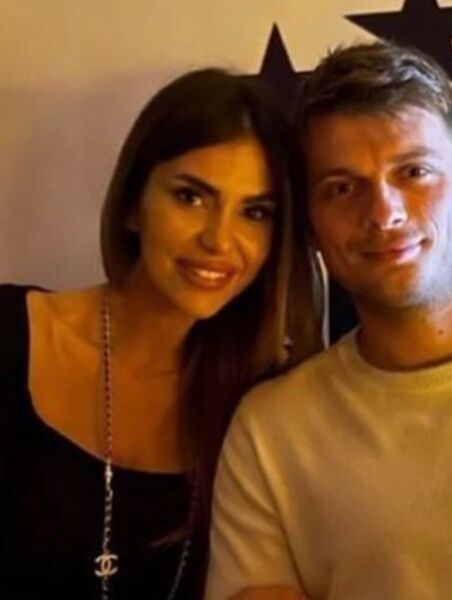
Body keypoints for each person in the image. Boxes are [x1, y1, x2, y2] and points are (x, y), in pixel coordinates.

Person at [205, 42, 452, 600]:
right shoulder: (272, 434)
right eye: (342, 188)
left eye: (414, 172)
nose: (383, 212)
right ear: (312, 227)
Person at [0, 68, 324, 599]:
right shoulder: (13, 335)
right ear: (134, 205)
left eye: (255, 212)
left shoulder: (264, 403)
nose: (219, 240)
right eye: (191, 197)